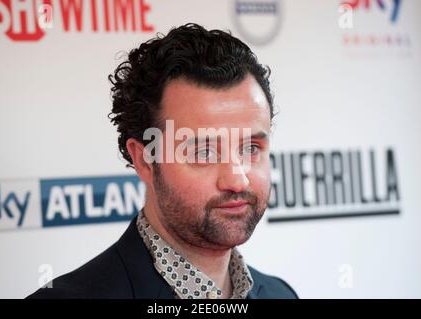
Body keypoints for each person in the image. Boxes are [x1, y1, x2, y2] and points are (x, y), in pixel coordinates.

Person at [28, 23, 298, 299]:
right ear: (145, 160)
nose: (237, 178)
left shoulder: (281, 295)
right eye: (204, 152)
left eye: (250, 148)